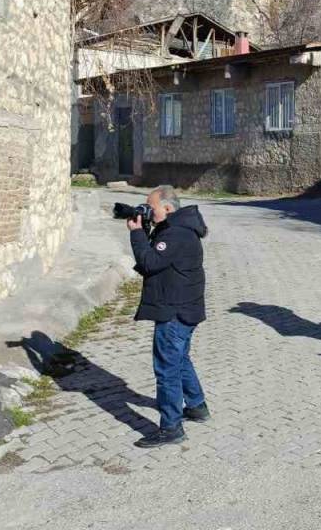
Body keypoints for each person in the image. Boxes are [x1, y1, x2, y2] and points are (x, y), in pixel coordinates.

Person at [126, 185, 210, 449]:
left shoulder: (175, 234)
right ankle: (196, 406)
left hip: (175, 312)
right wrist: (147, 231)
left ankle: (171, 427)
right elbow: (153, 263)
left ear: (168, 209)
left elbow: (149, 263)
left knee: (167, 370)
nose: (147, 211)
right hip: (185, 308)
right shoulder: (177, 229)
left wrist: (137, 234)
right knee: (180, 359)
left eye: (151, 208)